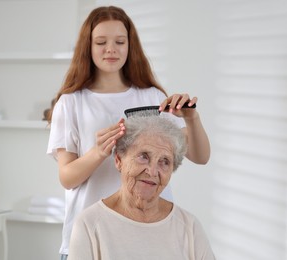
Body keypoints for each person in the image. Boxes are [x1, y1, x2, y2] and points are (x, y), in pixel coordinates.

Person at [46, 5, 211, 258]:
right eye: (101, 42)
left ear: (129, 46)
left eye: (119, 42)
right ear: (87, 47)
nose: (110, 49)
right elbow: (67, 178)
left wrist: (192, 119)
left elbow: (200, 156)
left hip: (151, 235)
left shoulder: (153, 96)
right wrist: (99, 152)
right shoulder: (71, 103)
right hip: (92, 240)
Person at [68, 114, 215, 260]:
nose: (152, 171)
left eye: (164, 161)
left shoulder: (189, 226)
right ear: (119, 160)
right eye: (143, 156)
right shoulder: (90, 224)